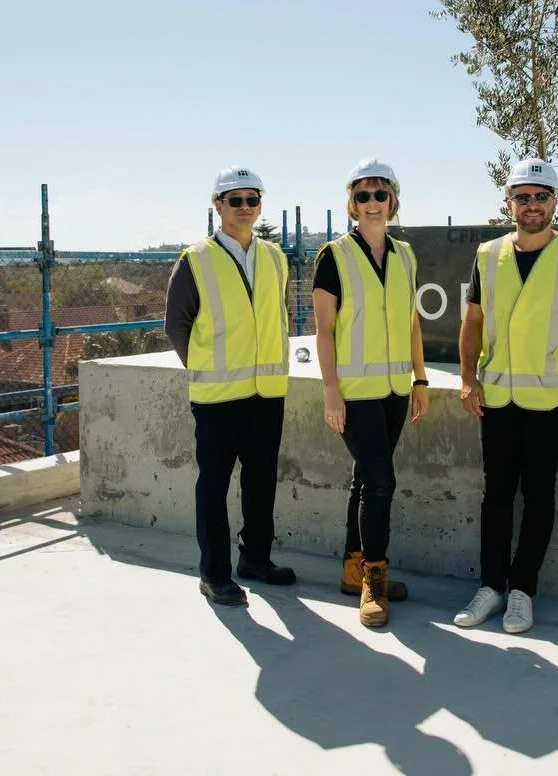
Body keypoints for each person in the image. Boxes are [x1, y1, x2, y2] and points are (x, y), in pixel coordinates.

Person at [453, 158, 558, 634]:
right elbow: (473, 321)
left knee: (539, 495)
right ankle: (491, 586)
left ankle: (522, 591)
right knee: (495, 495)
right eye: (523, 197)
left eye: (541, 197)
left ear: (555, 202)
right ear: (509, 203)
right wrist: (467, 378)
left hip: (550, 402)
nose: (532, 205)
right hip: (497, 398)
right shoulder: (487, 255)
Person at [164, 166, 296, 607]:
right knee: (213, 488)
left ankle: (255, 559)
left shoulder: (275, 258)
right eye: (234, 200)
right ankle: (214, 574)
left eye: (251, 199)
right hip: (218, 398)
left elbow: (279, 316)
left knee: (261, 482)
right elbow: (177, 325)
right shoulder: (196, 259)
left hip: (267, 392)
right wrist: (205, 366)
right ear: (217, 205)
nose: (244, 207)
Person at [312, 159, 430, 627]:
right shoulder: (334, 256)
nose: (373, 203)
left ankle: (352, 569)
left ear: (393, 201)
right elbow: (324, 331)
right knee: (381, 482)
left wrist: (420, 380)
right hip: (354, 393)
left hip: (395, 390)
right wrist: (330, 391)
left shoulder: (406, 255)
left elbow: (411, 322)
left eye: (381, 194)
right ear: (352, 204)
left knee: (365, 479)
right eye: (363, 195)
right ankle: (374, 579)